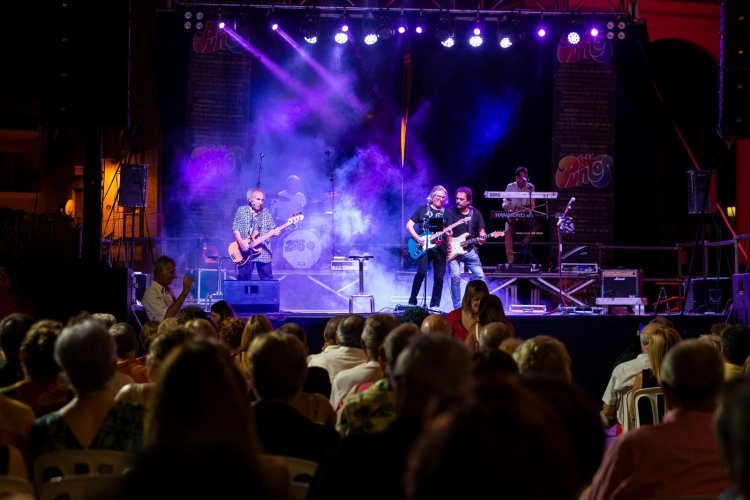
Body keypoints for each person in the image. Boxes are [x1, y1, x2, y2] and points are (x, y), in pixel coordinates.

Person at [589, 340, 731, 499]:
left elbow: (599, 496)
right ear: (720, 388)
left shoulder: (632, 447)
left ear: (666, 392)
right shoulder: (737, 444)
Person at [444, 187, 487, 310]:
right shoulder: (449, 212)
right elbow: (444, 231)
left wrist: (483, 237)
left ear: (468, 201)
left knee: (480, 277)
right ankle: (457, 308)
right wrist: (448, 239)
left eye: (461, 199)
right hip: (453, 251)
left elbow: (481, 231)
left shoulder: (475, 213)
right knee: (455, 277)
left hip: (469, 250)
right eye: (457, 198)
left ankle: (481, 306)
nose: (458, 201)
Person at [406, 185, 449, 309]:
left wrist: (449, 238)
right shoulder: (422, 209)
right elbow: (409, 225)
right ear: (432, 196)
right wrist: (417, 238)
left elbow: (450, 232)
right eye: (438, 196)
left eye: (443, 197)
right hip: (424, 245)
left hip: (440, 248)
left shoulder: (446, 213)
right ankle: (412, 300)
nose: (440, 199)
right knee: (420, 273)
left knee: (439, 278)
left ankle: (435, 306)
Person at [232, 188, 279, 281]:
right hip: (245, 252)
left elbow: (273, 229)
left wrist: (275, 232)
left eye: (262, 200)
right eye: (258, 199)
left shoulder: (265, 212)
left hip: (263, 252)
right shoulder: (241, 210)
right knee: (243, 280)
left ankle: (266, 296)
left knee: (267, 280)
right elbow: (235, 229)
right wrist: (241, 243)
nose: (260, 202)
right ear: (250, 199)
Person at [502, 166, 542, 264]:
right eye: (523, 178)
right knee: (507, 231)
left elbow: (532, 203)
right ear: (517, 178)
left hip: (525, 213)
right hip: (513, 213)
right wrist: (507, 207)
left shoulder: (531, 187)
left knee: (537, 225)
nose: (526, 180)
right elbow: (505, 202)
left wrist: (528, 208)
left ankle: (526, 240)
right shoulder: (510, 186)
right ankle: (510, 260)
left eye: (526, 178)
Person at [142, 255, 195, 322]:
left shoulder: (167, 290)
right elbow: (167, 319)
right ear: (160, 272)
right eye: (171, 272)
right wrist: (184, 292)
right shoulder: (151, 293)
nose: (174, 276)